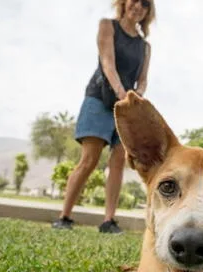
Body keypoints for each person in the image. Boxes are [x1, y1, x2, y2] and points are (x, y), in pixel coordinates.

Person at [52, 0, 155, 233]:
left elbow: (143, 80)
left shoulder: (145, 47)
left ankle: (108, 221)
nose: (138, 6)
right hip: (99, 99)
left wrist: (135, 100)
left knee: (118, 162)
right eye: (134, 0)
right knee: (89, 160)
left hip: (126, 107)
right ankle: (64, 217)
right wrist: (122, 95)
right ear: (124, 3)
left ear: (148, 12)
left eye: (145, 4)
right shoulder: (107, 26)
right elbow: (108, 64)